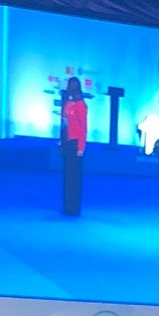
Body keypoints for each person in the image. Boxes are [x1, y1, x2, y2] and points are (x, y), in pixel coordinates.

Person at [59, 75, 87, 216]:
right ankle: (67, 205)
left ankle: (75, 207)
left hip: (76, 143)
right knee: (67, 176)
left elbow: (83, 128)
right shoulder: (68, 104)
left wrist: (81, 147)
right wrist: (62, 140)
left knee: (75, 176)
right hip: (67, 141)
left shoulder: (81, 105)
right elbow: (64, 122)